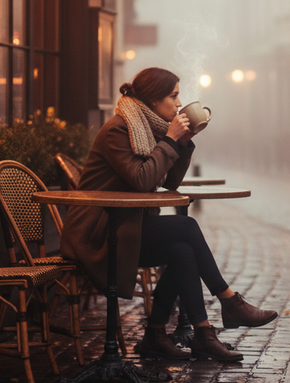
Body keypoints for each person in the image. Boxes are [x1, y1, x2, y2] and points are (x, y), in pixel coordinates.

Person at [60, 67, 277, 363]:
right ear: (152, 100)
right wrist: (171, 140)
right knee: (186, 227)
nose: (178, 104)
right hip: (98, 234)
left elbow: (168, 182)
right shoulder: (118, 129)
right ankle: (229, 302)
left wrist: (182, 142)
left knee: (181, 250)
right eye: (173, 96)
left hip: (125, 225)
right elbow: (142, 179)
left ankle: (186, 334)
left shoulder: (148, 130)